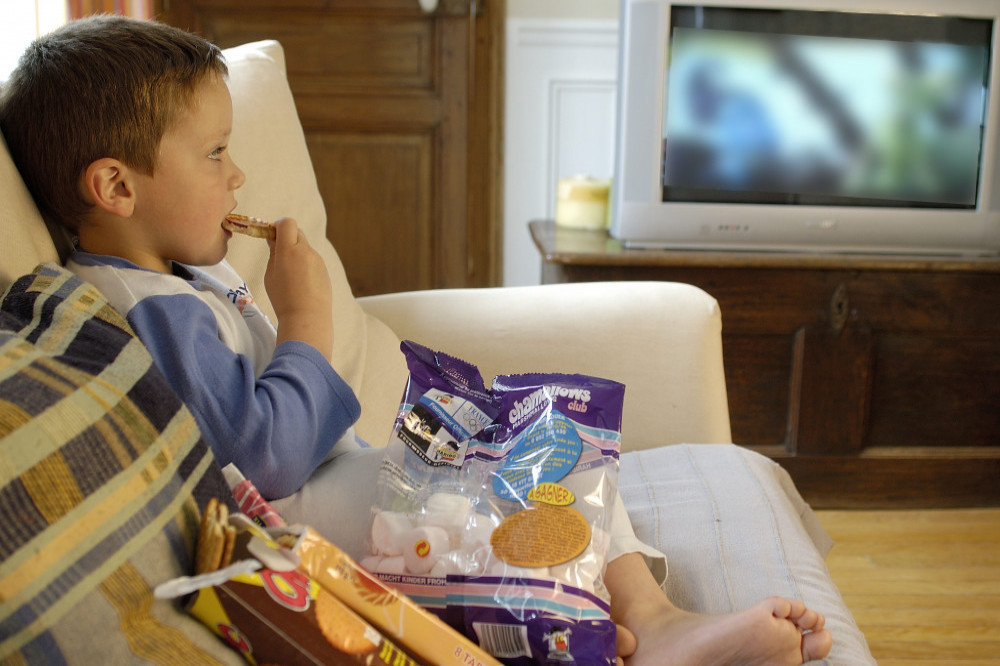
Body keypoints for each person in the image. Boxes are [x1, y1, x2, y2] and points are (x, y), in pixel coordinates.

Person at [0, 16, 832, 665]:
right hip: (294, 524)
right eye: (215, 154)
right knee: (525, 472)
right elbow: (265, 459)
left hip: (334, 485)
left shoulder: (182, 280)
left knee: (549, 448)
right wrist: (305, 321)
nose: (237, 177)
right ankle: (643, 627)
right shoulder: (141, 309)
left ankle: (653, 619)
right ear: (115, 185)